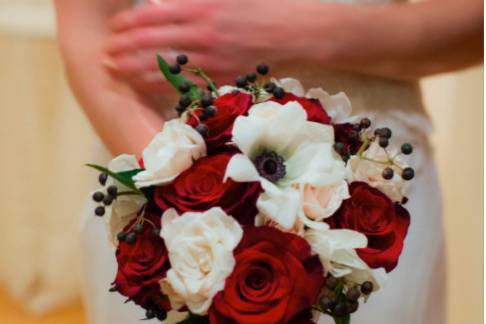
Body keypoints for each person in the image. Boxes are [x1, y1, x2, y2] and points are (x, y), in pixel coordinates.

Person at [54, 0, 483, 323]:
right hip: (161, 185)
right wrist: (196, 206)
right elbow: (90, 40)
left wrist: (297, 33)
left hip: (367, 188)